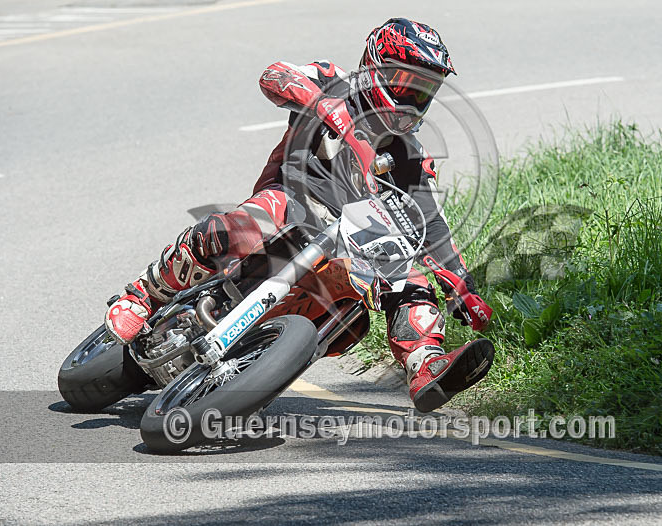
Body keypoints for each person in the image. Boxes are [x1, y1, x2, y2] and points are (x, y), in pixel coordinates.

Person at [104, 18, 494, 412]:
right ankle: (143, 296)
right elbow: (274, 75)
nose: (414, 99)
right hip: (291, 200)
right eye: (407, 84)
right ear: (377, 67)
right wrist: (330, 111)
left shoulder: (411, 157)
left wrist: (461, 285)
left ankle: (426, 364)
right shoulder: (333, 81)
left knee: (408, 278)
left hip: (348, 243)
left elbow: (432, 223)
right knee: (240, 228)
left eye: (425, 90)